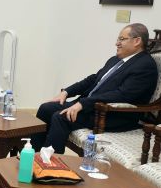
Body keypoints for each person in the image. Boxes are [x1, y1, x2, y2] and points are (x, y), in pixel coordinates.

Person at [32, 23, 158, 153]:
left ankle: (50, 162)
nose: (117, 43)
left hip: (112, 115)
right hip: (91, 107)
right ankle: (33, 155)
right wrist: (67, 92)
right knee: (45, 108)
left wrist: (83, 104)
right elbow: (93, 79)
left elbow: (122, 95)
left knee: (61, 117)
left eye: (122, 39)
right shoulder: (115, 60)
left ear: (137, 41)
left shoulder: (145, 65)